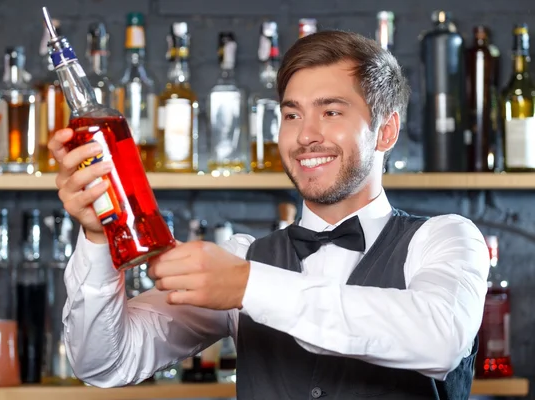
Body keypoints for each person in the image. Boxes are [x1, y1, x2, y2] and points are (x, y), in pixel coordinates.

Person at [49, 30, 490, 399]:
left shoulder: (446, 239)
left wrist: (247, 285)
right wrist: (97, 235)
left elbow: (441, 339)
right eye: (292, 114)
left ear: (386, 131)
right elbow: (103, 363)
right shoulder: (242, 256)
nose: (306, 136)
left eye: (331, 111)